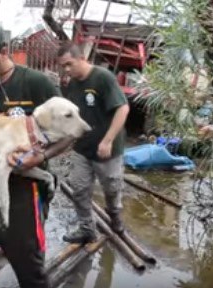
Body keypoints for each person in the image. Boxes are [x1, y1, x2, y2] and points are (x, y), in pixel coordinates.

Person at [0, 20, 73, 288]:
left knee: (29, 268)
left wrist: (40, 157)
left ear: (3, 51)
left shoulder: (36, 84)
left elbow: (69, 134)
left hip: (24, 187)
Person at [57, 42, 130, 244]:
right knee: (79, 189)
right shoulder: (70, 84)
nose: (67, 70)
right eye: (63, 66)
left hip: (108, 150)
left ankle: (115, 218)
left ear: (82, 58)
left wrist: (107, 141)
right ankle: (87, 228)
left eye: (69, 64)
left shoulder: (103, 78)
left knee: (111, 190)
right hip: (82, 148)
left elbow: (122, 109)